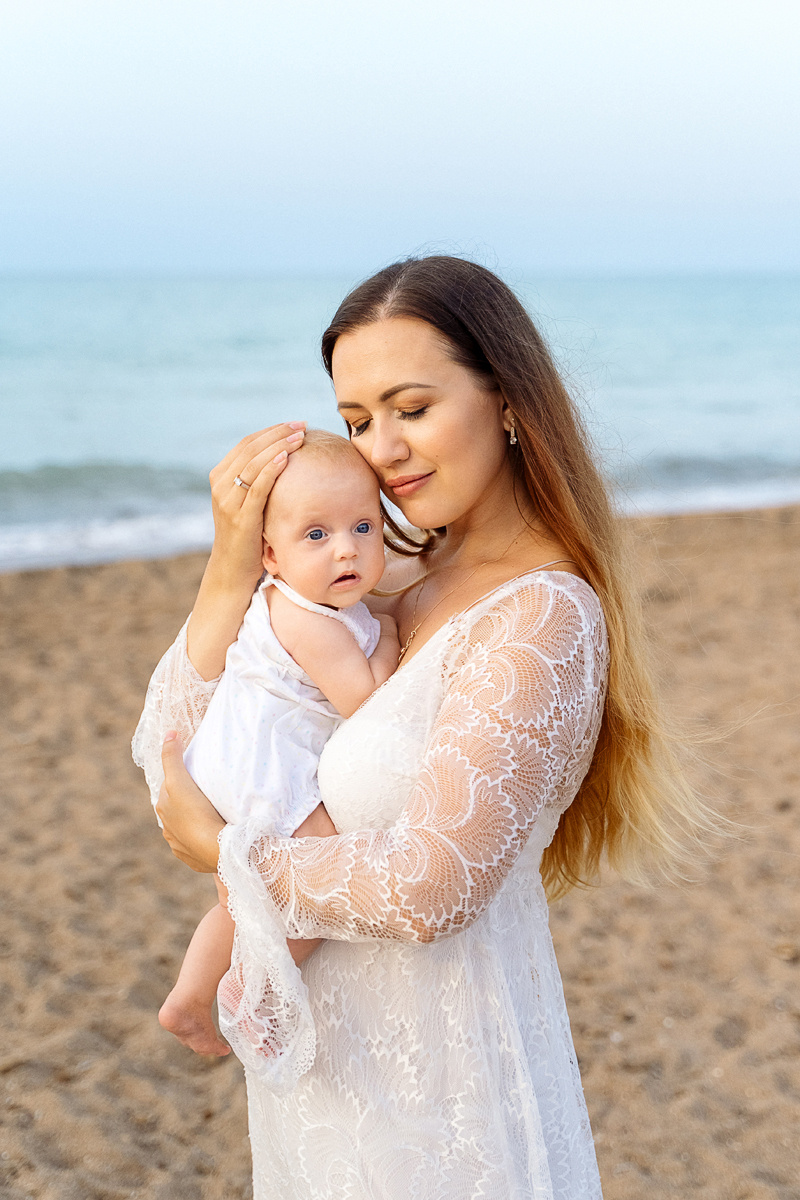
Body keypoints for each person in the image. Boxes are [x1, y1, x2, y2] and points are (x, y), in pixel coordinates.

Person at [141, 256, 714, 1199]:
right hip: (327, 1079)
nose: (382, 451)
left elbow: (431, 887)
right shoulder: (388, 584)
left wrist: (230, 853)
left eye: (412, 408)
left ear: (509, 403)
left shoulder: (543, 616)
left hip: (447, 1100)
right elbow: (170, 749)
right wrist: (229, 569)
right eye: (358, 421)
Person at [135, 430, 400, 1057]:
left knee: (234, 900)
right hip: (264, 770)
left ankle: (187, 999)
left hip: (234, 756)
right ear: (270, 556)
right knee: (305, 882)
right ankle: (257, 986)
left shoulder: (306, 597)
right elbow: (365, 703)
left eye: (364, 527)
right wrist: (389, 637)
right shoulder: (311, 620)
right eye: (317, 535)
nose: (347, 550)